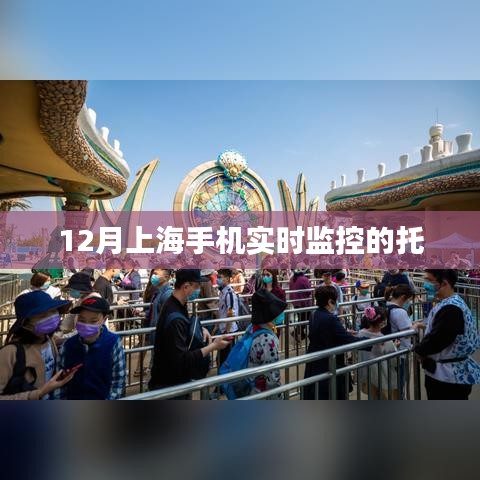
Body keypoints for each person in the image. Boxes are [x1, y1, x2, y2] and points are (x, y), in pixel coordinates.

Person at [149, 269, 231, 393]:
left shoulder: (176, 304)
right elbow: (182, 360)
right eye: (197, 287)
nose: (199, 290)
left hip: (172, 381)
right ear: (186, 287)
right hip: (170, 386)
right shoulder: (175, 317)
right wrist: (213, 346)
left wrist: (201, 329)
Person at [413, 269, 480, 400]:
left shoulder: (451, 309)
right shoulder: (453, 302)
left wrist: (418, 350)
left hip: (447, 378)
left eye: (429, 280)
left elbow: (438, 339)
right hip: (451, 374)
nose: (425, 284)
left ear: (444, 283)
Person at [0, 291, 75, 399]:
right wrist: (39, 393)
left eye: (53, 311)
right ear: (26, 324)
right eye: (42, 315)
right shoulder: (10, 352)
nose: (51, 317)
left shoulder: (48, 340)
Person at [54, 296, 126, 400]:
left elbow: (118, 381)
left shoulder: (114, 343)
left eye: (93, 321)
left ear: (104, 319)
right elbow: (59, 381)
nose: (86, 325)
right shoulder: (68, 346)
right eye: (82, 320)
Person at [304, 286, 363, 400]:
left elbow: (324, 333)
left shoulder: (314, 314)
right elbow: (348, 340)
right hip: (328, 363)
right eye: (335, 301)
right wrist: (370, 340)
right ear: (330, 301)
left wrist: (343, 332)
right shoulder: (330, 318)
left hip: (315, 360)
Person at [247, 289, 287, 398]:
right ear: (269, 315)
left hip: (252, 389)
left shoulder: (251, 328)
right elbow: (272, 377)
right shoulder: (268, 340)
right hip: (262, 394)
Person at [358, 306, 399, 400]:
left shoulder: (361, 334)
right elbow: (394, 361)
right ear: (382, 322)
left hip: (367, 374)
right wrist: (395, 346)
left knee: (372, 396)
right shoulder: (384, 339)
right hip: (382, 376)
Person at [383, 284, 415, 398]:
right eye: (408, 300)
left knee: (391, 383)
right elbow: (407, 334)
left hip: (389, 349)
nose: (408, 303)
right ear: (402, 297)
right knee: (398, 384)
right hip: (400, 352)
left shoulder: (386, 306)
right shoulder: (400, 312)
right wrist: (416, 326)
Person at [216, 268, 239, 367]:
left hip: (228, 331)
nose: (217, 279)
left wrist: (227, 331)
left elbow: (231, 313)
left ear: (226, 279)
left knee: (226, 358)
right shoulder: (222, 292)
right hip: (223, 329)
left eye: (219, 277)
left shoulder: (229, 293)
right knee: (221, 357)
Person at [289, 263, 313, 341]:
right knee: (305, 319)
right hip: (304, 303)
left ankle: (300, 334)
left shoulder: (292, 278)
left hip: (296, 302)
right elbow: (309, 291)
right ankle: (296, 333)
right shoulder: (304, 279)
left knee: (301, 318)